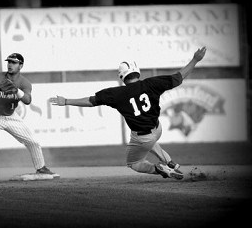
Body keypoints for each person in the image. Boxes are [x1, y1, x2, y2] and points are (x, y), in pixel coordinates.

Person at [50, 47, 207, 180]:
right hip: (157, 129)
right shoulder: (152, 84)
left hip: (143, 137)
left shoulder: (116, 94)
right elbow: (179, 77)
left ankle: (161, 169)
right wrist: (195, 60)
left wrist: (67, 101)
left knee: (134, 163)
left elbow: (91, 101)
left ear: (121, 77)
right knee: (146, 139)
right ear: (137, 71)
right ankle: (170, 161)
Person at [0, 52, 59, 183]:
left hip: (10, 116)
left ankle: (41, 168)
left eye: (14, 62)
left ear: (21, 65)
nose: (10, 65)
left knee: (33, 142)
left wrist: (17, 90)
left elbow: (27, 100)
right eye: (9, 62)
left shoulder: (24, 82)